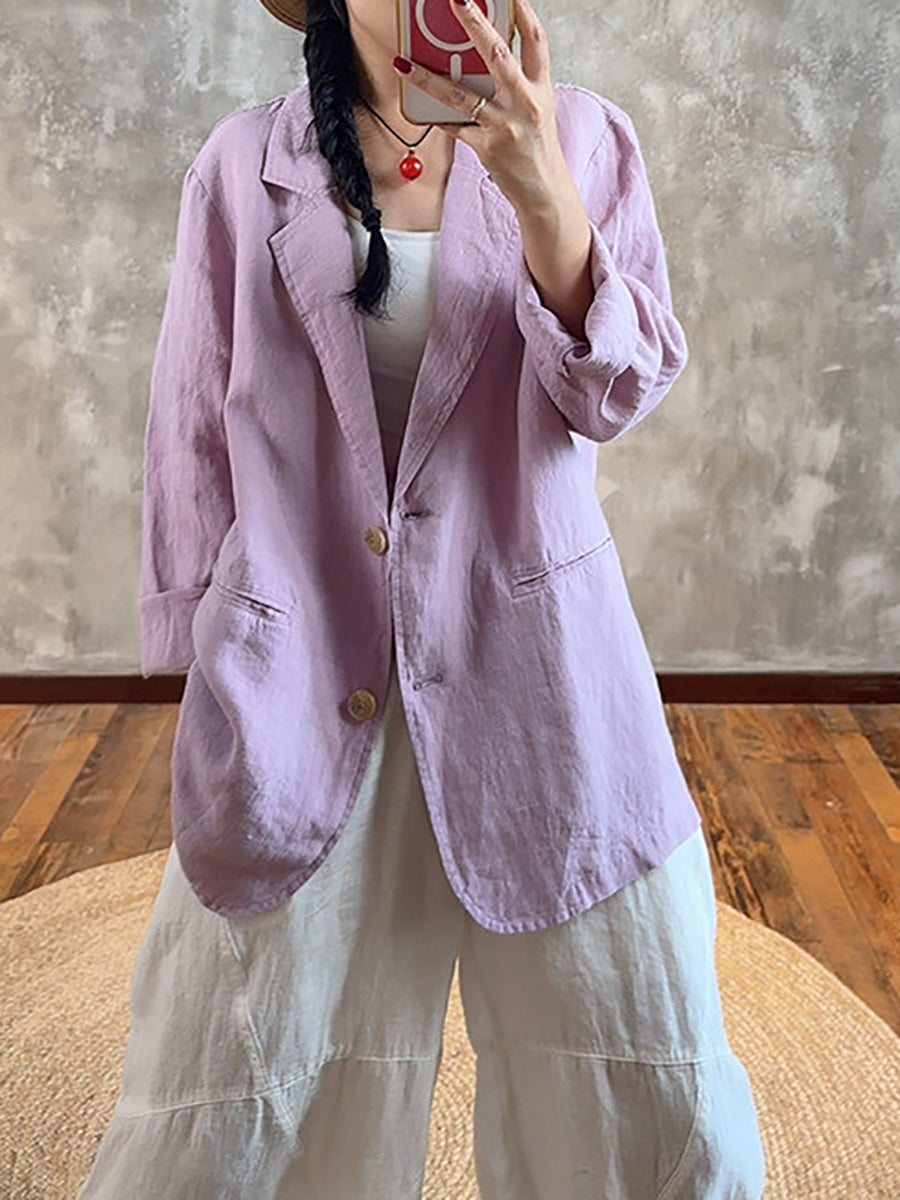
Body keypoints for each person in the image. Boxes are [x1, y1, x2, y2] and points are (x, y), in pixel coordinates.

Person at [77, 0, 767, 1195]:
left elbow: (617, 392)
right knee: (248, 1069)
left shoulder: (585, 136)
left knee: (635, 1060)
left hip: (536, 657)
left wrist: (541, 190)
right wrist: (198, 640)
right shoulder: (243, 163)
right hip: (301, 658)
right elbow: (190, 417)